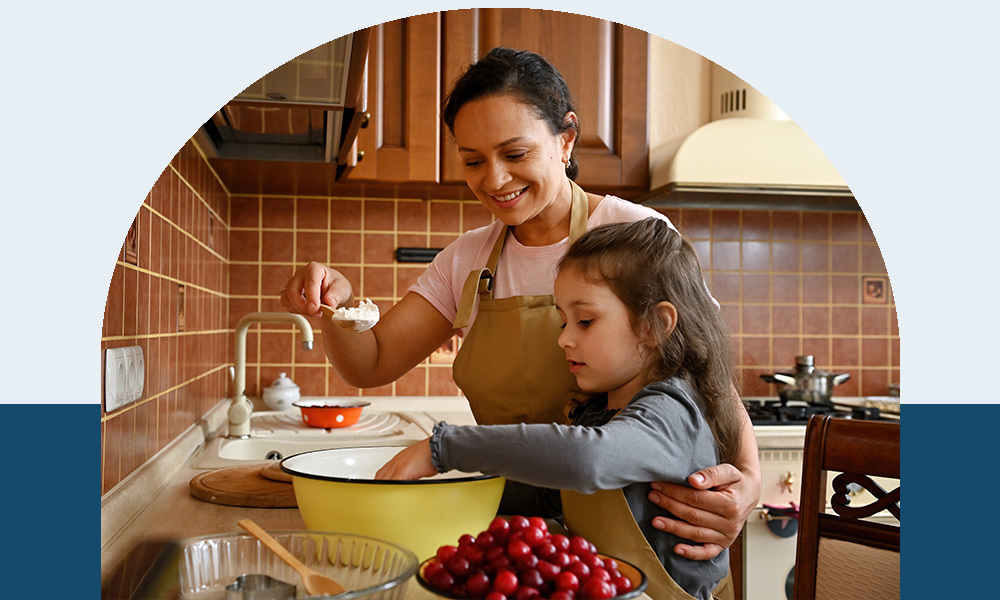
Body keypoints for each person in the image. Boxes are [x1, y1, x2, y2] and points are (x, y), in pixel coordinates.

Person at [280, 47, 760, 565]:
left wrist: (750, 480)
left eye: (514, 154)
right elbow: (371, 362)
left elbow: (705, 370)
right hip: (523, 549)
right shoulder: (466, 260)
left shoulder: (633, 236)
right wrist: (338, 308)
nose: (494, 180)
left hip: (644, 550)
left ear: (565, 139)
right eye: (473, 161)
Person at [376, 218, 743, 600]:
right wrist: (442, 495)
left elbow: (588, 457)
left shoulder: (672, 412)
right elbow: (551, 493)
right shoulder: (598, 411)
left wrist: (445, 448)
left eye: (585, 321)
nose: (564, 339)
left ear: (654, 326)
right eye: (563, 322)